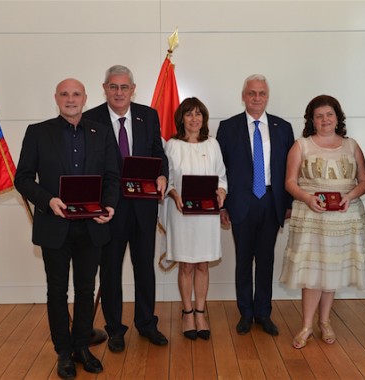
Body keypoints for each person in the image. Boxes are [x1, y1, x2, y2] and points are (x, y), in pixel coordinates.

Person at [14, 78, 119, 379]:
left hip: (92, 227)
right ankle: (63, 352)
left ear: (86, 98)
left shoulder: (102, 132)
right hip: (54, 225)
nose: (70, 99)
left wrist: (109, 205)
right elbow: (22, 179)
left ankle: (81, 347)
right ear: (56, 98)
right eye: (64, 94)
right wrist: (48, 201)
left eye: (76, 94)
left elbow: (112, 177)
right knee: (57, 291)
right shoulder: (38, 133)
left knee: (86, 290)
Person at [279, 95, 365, 349]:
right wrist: (307, 198)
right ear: (312, 119)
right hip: (312, 216)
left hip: (343, 216)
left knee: (332, 271)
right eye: (319, 115)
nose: (325, 120)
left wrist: (349, 196)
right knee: (312, 273)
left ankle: (325, 322)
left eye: (329, 114)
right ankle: (307, 326)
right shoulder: (301, 145)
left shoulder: (351, 145)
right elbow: (289, 182)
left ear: (337, 117)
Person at [83, 65, 169, 352]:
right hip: (109, 209)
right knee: (110, 272)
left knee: (144, 268)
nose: (119, 92)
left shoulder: (149, 115)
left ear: (133, 89)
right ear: (105, 88)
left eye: (124, 87)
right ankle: (115, 329)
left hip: (144, 206)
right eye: (113, 87)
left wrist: (162, 175)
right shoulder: (90, 118)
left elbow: (158, 154)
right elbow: (86, 164)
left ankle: (147, 324)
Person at [216, 74, 294, 336]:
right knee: (243, 260)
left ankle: (263, 312)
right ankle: (245, 314)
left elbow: (289, 170)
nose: (256, 98)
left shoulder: (283, 128)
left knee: (266, 260)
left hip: (272, 201)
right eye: (251, 93)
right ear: (243, 96)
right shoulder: (227, 128)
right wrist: (223, 205)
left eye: (261, 93)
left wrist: (289, 203)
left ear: (267, 97)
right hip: (241, 201)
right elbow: (221, 170)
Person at [164, 97, 227, 340]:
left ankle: (201, 312)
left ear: (204, 118)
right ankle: (187, 312)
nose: (194, 119)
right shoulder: (172, 145)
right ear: (181, 118)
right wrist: (173, 193)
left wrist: (221, 191)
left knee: (202, 264)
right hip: (181, 214)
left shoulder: (212, 144)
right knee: (186, 264)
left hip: (206, 215)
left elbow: (221, 176)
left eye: (199, 114)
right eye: (189, 114)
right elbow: (166, 178)